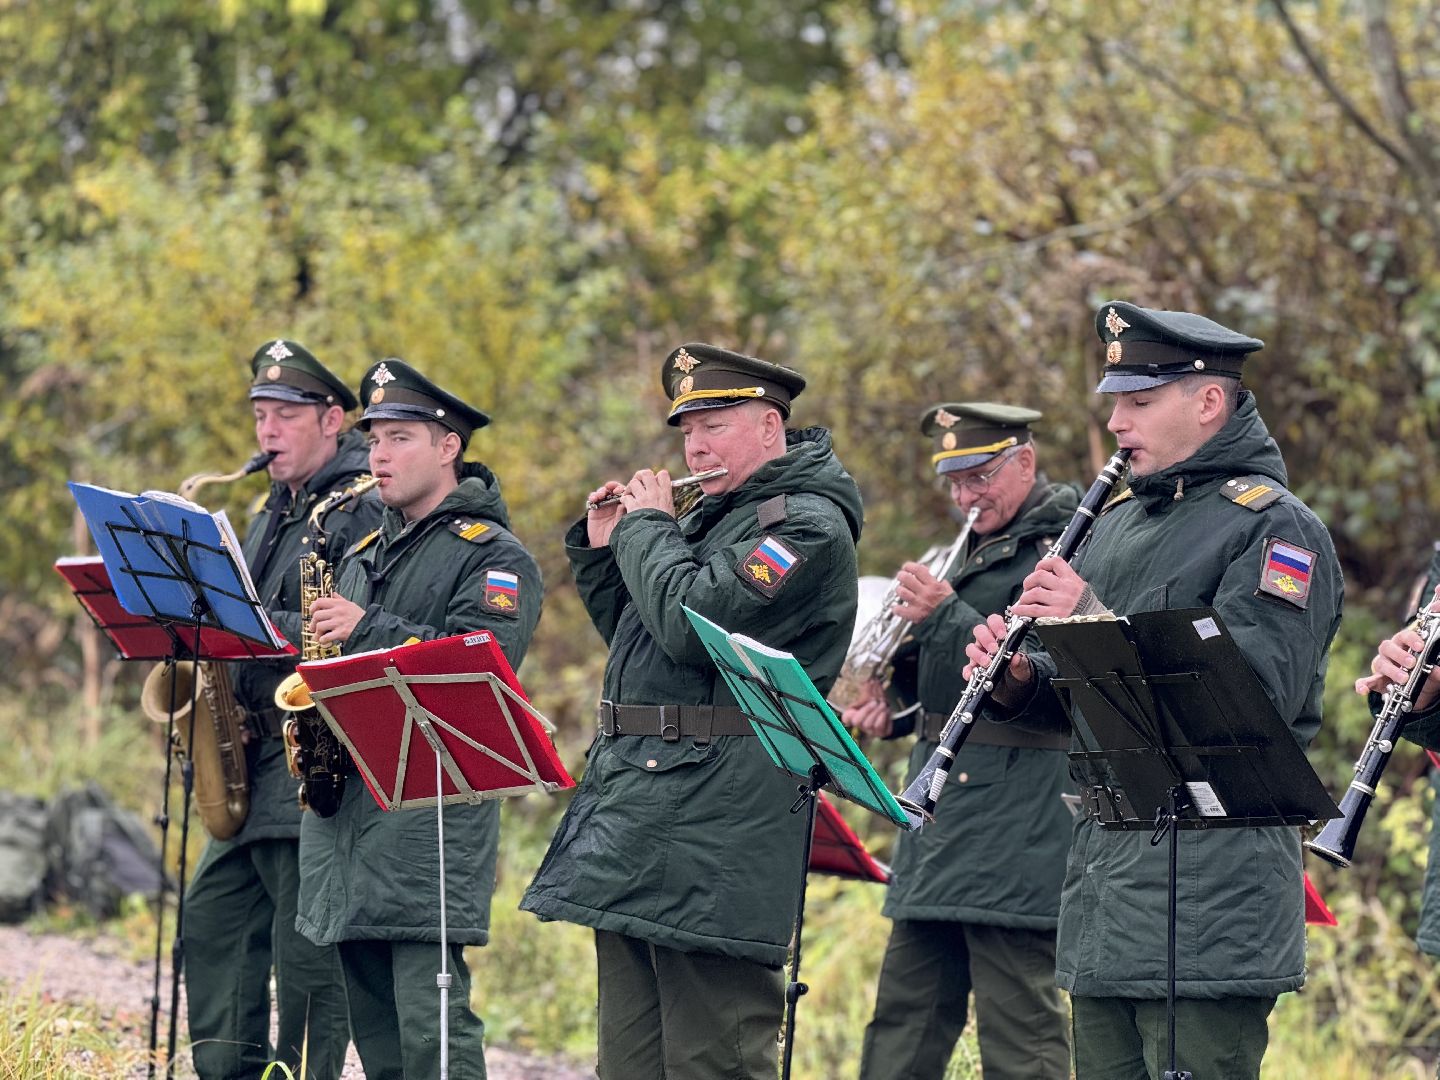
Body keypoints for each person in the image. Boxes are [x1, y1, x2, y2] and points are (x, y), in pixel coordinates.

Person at [966, 301, 1343, 1079]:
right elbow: (1083, 704)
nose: (1115, 423)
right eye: (1115, 402)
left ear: (1208, 402)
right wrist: (1018, 679)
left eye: (1138, 402)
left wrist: (1090, 617)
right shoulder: (1113, 523)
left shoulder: (1274, 530)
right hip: (1108, 885)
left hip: (1212, 889)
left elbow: (1249, 705)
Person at [521, 343, 863, 1079]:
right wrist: (607, 549)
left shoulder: (804, 528)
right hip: (642, 808)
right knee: (630, 1062)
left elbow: (690, 622)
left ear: (770, 427)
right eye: (687, 431)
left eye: (717, 424)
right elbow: (645, 644)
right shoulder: (714, 518)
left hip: (720, 826)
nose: (697, 446)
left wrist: (648, 529)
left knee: (714, 1058)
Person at [298, 357, 543, 1079]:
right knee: (375, 1035)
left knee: (431, 1028)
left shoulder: (495, 557)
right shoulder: (363, 549)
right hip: (348, 815)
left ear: (448, 448)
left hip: (427, 820)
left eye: (400, 437)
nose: (378, 455)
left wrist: (367, 626)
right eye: (374, 439)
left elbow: (484, 662)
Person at [848, 403, 1074, 1080]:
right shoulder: (967, 552)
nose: (964, 497)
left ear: (1024, 463)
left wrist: (944, 613)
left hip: (1018, 829)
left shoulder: (1064, 548)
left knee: (1022, 1040)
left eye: (979, 476)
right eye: (953, 482)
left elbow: (1038, 682)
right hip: (938, 828)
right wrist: (893, 707)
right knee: (900, 1028)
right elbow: (949, 694)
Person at [181, 340, 370, 1080]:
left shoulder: (358, 506)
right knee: (212, 920)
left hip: (306, 757)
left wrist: (248, 624)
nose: (267, 431)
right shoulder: (273, 507)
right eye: (261, 414)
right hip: (245, 761)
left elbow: (342, 623)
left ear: (333, 420)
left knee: (306, 965)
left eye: (286, 414)